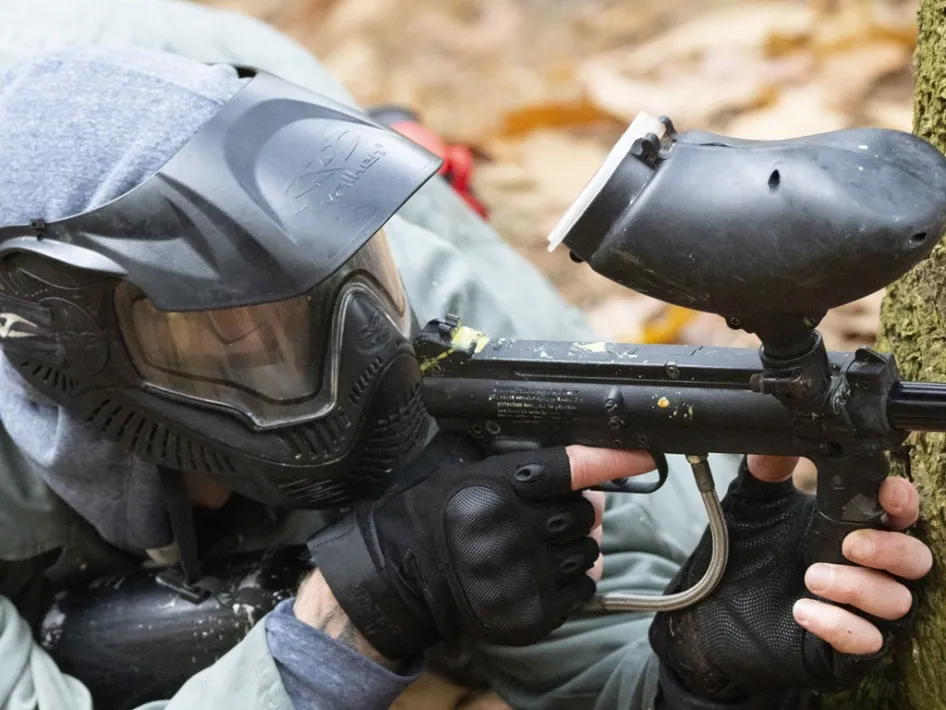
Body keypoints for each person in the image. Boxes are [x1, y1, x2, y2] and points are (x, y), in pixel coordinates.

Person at [0, 6, 932, 710]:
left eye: (356, 286)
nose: (362, 358)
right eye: (246, 331)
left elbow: (609, 658)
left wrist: (698, 671)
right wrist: (358, 608)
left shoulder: (431, 311)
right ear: (55, 344)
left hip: (206, 72)